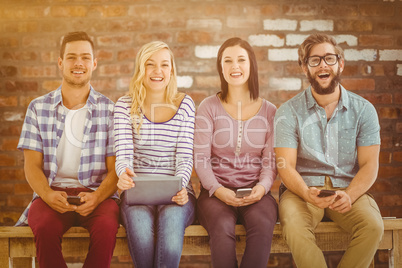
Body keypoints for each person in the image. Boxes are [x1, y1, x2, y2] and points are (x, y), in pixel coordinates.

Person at [274, 33, 384, 268]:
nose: (323, 64)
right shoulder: (287, 111)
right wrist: (305, 193)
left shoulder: (364, 110)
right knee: (294, 226)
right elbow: (285, 165)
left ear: (340, 63)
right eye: (314, 60)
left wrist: (351, 195)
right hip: (301, 191)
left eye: (329, 58)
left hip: (347, 189)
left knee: (373, 226)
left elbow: (369, 165)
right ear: (305, 68)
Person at [15, 31, 119, 268]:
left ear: (94, 63)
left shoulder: (110, 110)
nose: (78, 63)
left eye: (85, 57)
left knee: (107, 227)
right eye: (71, 57)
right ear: (60, 63)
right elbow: (31, 166)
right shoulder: (37, 108)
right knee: (42, 226)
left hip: (97, 196)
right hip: (52, 194)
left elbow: (115, 170)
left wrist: (97, 197)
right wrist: (47, 195)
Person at [194, 37, 278, 268]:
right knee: (222, 228)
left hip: (257, 193)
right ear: (221, 67)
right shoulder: (208, 107)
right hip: (215, 193)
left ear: (251, 65)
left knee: (262, 226)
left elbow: (270, 162)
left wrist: (261, 188)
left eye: (241, 60)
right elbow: (200, 160)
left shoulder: (270, 111)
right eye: (227, 61)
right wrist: (218, 190)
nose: (235, 66)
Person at [114, 41, 196, 268]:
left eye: (164, 65)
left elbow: (185, 156)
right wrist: (124, 173)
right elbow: (123, 154)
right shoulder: (124, 106)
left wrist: (181, 185)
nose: (158, 71)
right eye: (150, 65)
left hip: (177, 195)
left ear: (171, 70)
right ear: (141, 69)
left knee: (170, 240)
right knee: (142, 240)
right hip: (136, 192)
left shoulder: (185, 105)